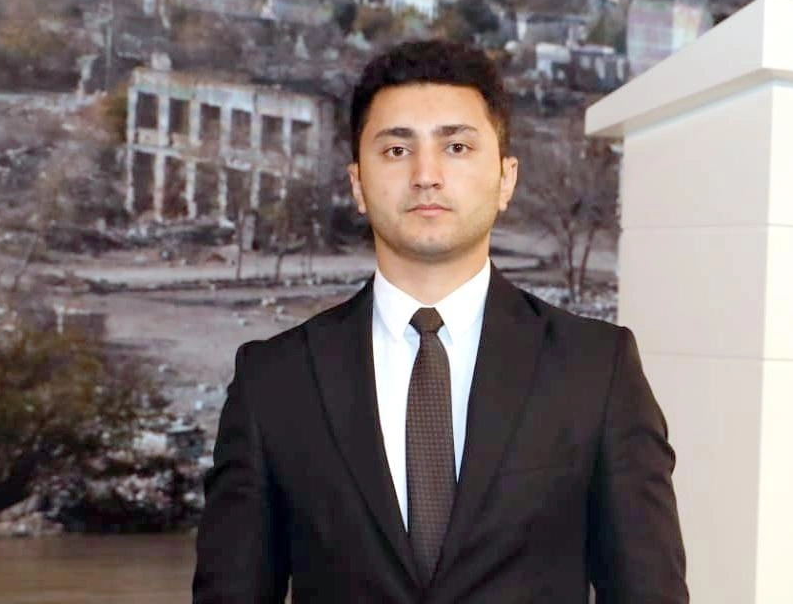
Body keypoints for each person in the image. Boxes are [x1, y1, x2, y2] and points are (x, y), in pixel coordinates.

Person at [193, 39, 688, 603]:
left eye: (456, 146)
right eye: (396, 150)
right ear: (357, 183)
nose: (426, 174)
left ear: (506, 178)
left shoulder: (597, 370)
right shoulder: (273, 381)